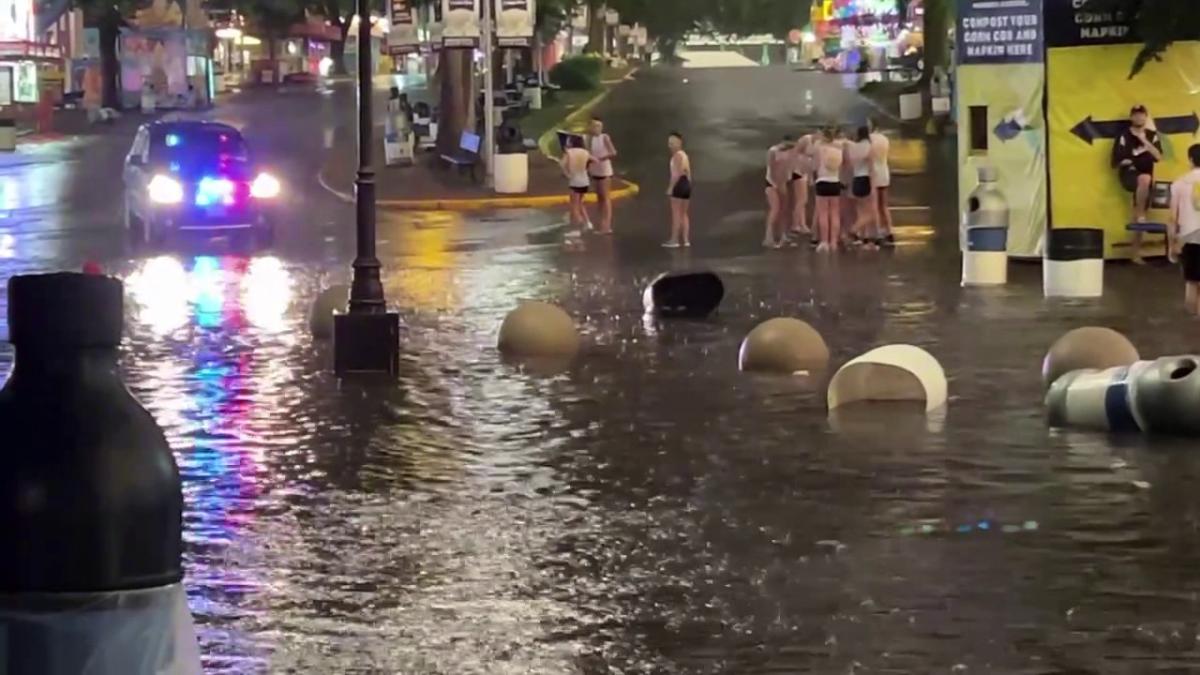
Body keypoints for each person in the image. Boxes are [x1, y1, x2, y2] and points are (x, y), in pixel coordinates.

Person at [1112, 104, 1163, 263]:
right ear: (1131, 117)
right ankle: (1140, 214)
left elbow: (1159, 157)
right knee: (1144, 179)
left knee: (1141, 209)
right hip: (1129, 175)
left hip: (1145, 180)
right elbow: (1115, 161)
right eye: (1135, 115)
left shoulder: (1152, 135)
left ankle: (1136, 253)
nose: (1139, 117)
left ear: (1145, 117)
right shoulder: (1123, 136)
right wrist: (1126, 161)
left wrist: (1144, 140)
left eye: (1141, 115)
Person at [1168, 143, 1200, 315]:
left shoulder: (1179, 183)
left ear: (1191, 160)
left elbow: (1173, 217)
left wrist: (1172, 243)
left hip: (1189, 238)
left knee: (1192, 281)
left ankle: (1194, 324)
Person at [812, 126, 846, 252]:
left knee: (823, 214)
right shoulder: (839, 148)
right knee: (834, 214)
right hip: (835, 181)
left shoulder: (820, 148)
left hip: (822, 182)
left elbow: (815, 166)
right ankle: (833, 242)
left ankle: (824, 241)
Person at [846, 125, 878, 249]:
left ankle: (864, 238)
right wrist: (873, 185)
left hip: (856, 179)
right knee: (870, 213)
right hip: (865, 180)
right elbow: (871, 168)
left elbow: (850, 165)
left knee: (861, 211)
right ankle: (853, 230)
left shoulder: (853, 148)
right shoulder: (870, 147)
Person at [586, 117, 618, 235]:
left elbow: (613, 152)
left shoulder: (604, 137)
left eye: (599, 126)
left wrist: (601, 158)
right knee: (599, 198)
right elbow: (588, 153)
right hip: (594, 170)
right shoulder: (589, 139)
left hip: (604, 171)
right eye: (594, 126)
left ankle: (606, 226)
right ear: (590, 127)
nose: (597, 128)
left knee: (605, 198)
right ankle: (601, 223)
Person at [763, 136, 795, 248]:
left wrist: (785, 182)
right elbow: (772, 169)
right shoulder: (773, 151)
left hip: (784, 182)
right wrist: (778, 185)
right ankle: (768, 236)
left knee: (784, 210)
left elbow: (787, 168)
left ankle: (783, 235)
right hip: (772, 183)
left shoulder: (790, 152)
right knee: (775, 209)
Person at [664, 131, 692, 248]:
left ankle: (674, 240)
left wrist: (670, 188)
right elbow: (688, 173)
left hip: (679, 184)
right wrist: (689, 185)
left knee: (676, 214)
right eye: (669, 142)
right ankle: (685, 240)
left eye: (673, 142)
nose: (670, 145)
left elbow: (677, 173)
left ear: (679, 143)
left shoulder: (677, 156)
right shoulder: (684, 155)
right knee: (684, 214)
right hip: (686, 185)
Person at [868, 119, 894, 246]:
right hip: (884, 171)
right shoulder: (885, 139)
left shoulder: (869, 139)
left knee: (874, 205)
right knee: (884, 205)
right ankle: (889, 231)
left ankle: (877, 232)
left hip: (874, 174)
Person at [561, 135, 591, 237]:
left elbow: (562, 164)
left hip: (575, 180)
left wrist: (567, 174)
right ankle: (587, 222)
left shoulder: (569, 152)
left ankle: (577, 228)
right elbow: (594, 160)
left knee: (574, 205)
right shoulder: (585, 152)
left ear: (572, 142)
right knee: (580, 203)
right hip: (585, 180)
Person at [789, 133, 814, 243]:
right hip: (799, 171)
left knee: (803, 200)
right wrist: (793, 168)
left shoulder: (817, 143)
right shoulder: (806, 139)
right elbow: (794, 153)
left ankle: (802, 224)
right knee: (801, 199)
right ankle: (795, 224)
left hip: (805, 171)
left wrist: (811, 176)